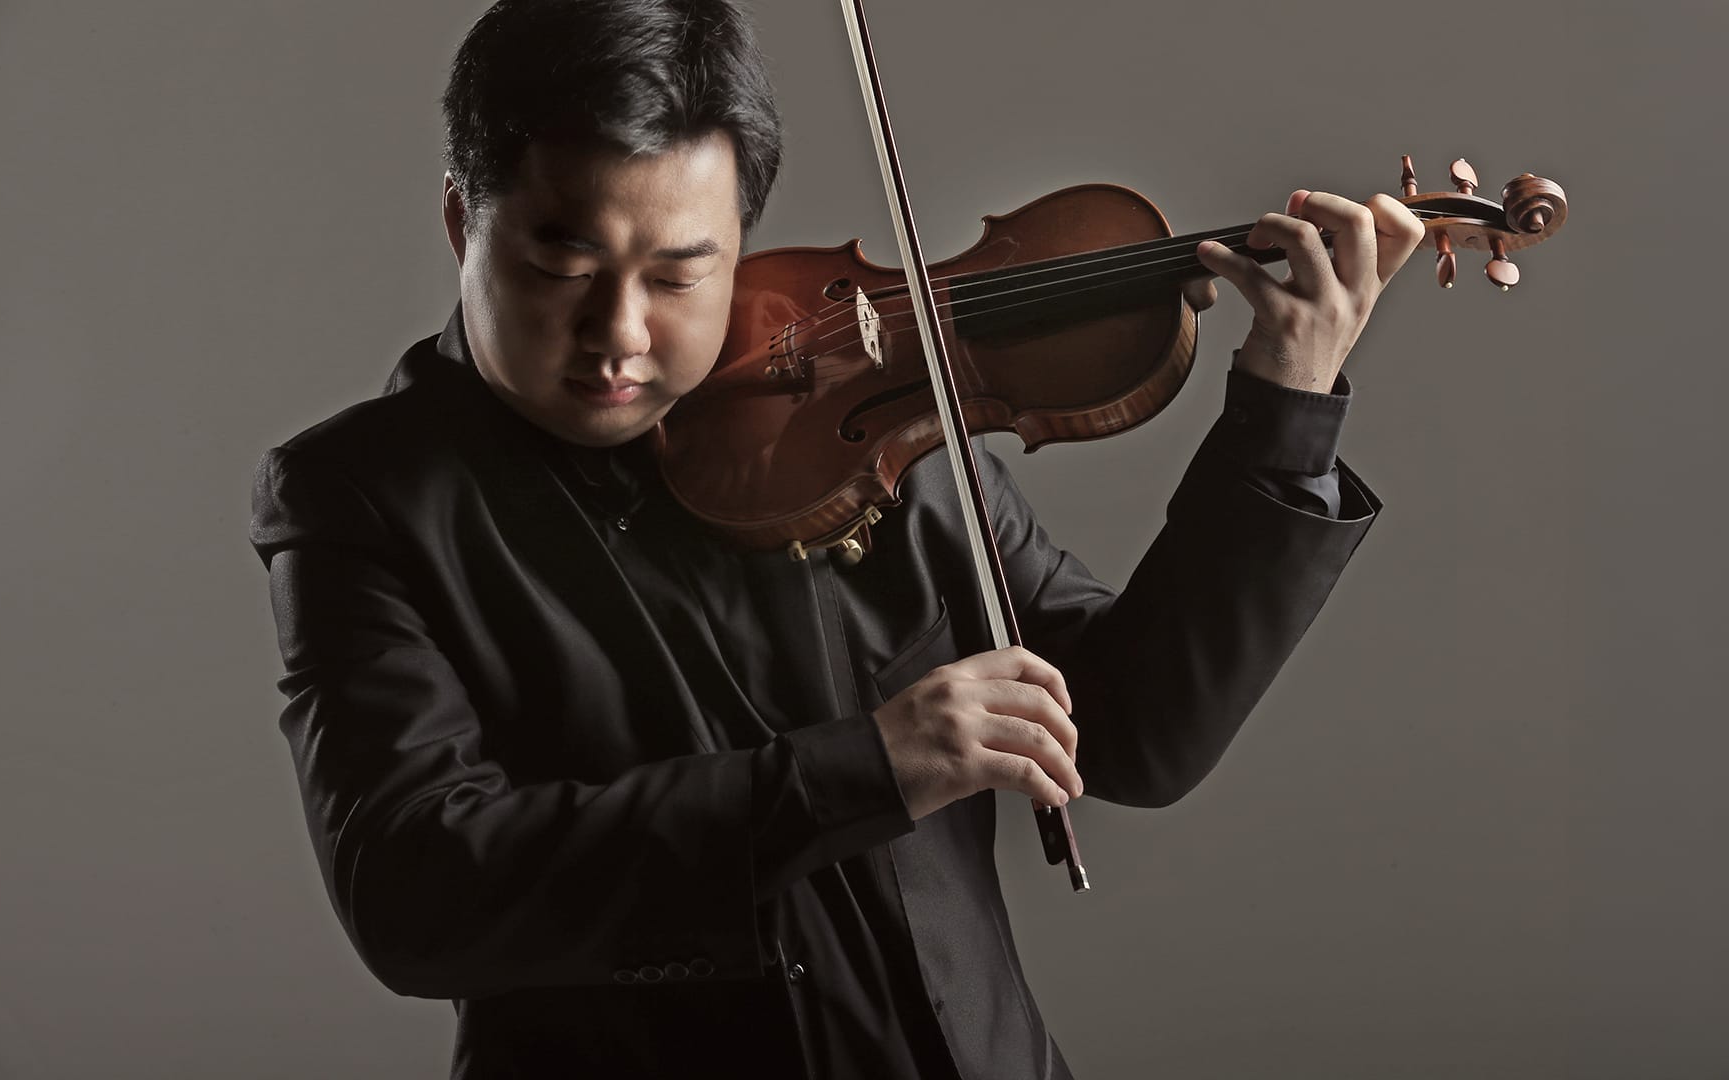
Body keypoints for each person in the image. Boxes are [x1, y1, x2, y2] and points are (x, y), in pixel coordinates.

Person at [248, 1, 1420, 1075]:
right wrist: (868, 767)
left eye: (678, 275)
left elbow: (1136, 733)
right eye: (563, 263)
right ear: (465, 216)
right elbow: (419, 893)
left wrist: (1287, 404)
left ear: (739, 239)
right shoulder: (365, 496)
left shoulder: (869, 426)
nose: (620, 335)